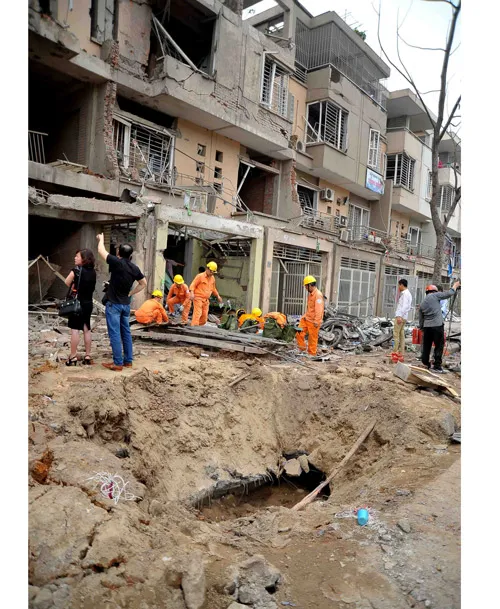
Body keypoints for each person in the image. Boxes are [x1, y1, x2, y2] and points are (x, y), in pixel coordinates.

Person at [97, 234, 147, 371]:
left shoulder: (117, 262)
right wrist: (131, 293)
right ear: (130, 255)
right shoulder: (134, 268)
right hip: (125, 305)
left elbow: (101, 250)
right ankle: (128, 361)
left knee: (114, 333)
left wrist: (101, 239)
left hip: (114, 304)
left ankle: (118, 363)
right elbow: (143, 283)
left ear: (118, 253)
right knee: (126, 333)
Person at [64, 249, 97, 366]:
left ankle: (73, 356)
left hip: (77, 304)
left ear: (84, 259)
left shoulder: (76, 271)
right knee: (86, 329)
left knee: (75, 330)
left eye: (77, 256)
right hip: (88, 304)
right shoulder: (93, 272)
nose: (75, 258)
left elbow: (67, 282)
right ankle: (87, 355)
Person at [418, 281, 460, 373]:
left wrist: (422, 328)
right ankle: (437, 366)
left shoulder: (422, 303)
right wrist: (455, 286)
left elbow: (421, 319)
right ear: (434, 291)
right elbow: (449, 293)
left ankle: (425, 363)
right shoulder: (435, 295)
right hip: (437, 326)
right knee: (439, 346)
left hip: (427, 328)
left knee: (426, 346)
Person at [296, 275, 324, 356]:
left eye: (306, 286)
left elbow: (319, 310)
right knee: (298, 332)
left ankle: (311, 354)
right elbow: (310, 308)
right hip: (306, 319)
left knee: (312, 339)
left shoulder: (318, 295)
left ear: (310, 285)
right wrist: (304, 316)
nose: (305, 288)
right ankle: (302, 348)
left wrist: (317, 321)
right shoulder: (311, 294)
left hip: (313, 321)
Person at [189, 261, 222, 326]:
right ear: (207, 269)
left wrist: (218, 296)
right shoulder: (200, 276)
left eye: (213, 272)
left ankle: (197, 327)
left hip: (206, 300)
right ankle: (194, 327)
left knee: (204, 319)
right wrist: (192, 293)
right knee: (197, 314)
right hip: (198, 298)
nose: (212, 273)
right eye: (211, 272)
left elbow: (213, 288)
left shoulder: (212, 278)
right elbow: (193, 285)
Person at [391, 278, 413, 363]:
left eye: (399, 285)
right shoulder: (408, 294)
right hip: (404, 317)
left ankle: (395, 352)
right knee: (401, 335)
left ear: (401, 285)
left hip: (400, 316)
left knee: (396, 334)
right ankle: (401, 353)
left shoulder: (405, 294)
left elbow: (404, 306)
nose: (398, 287)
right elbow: (407, 307)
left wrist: (399, 316)